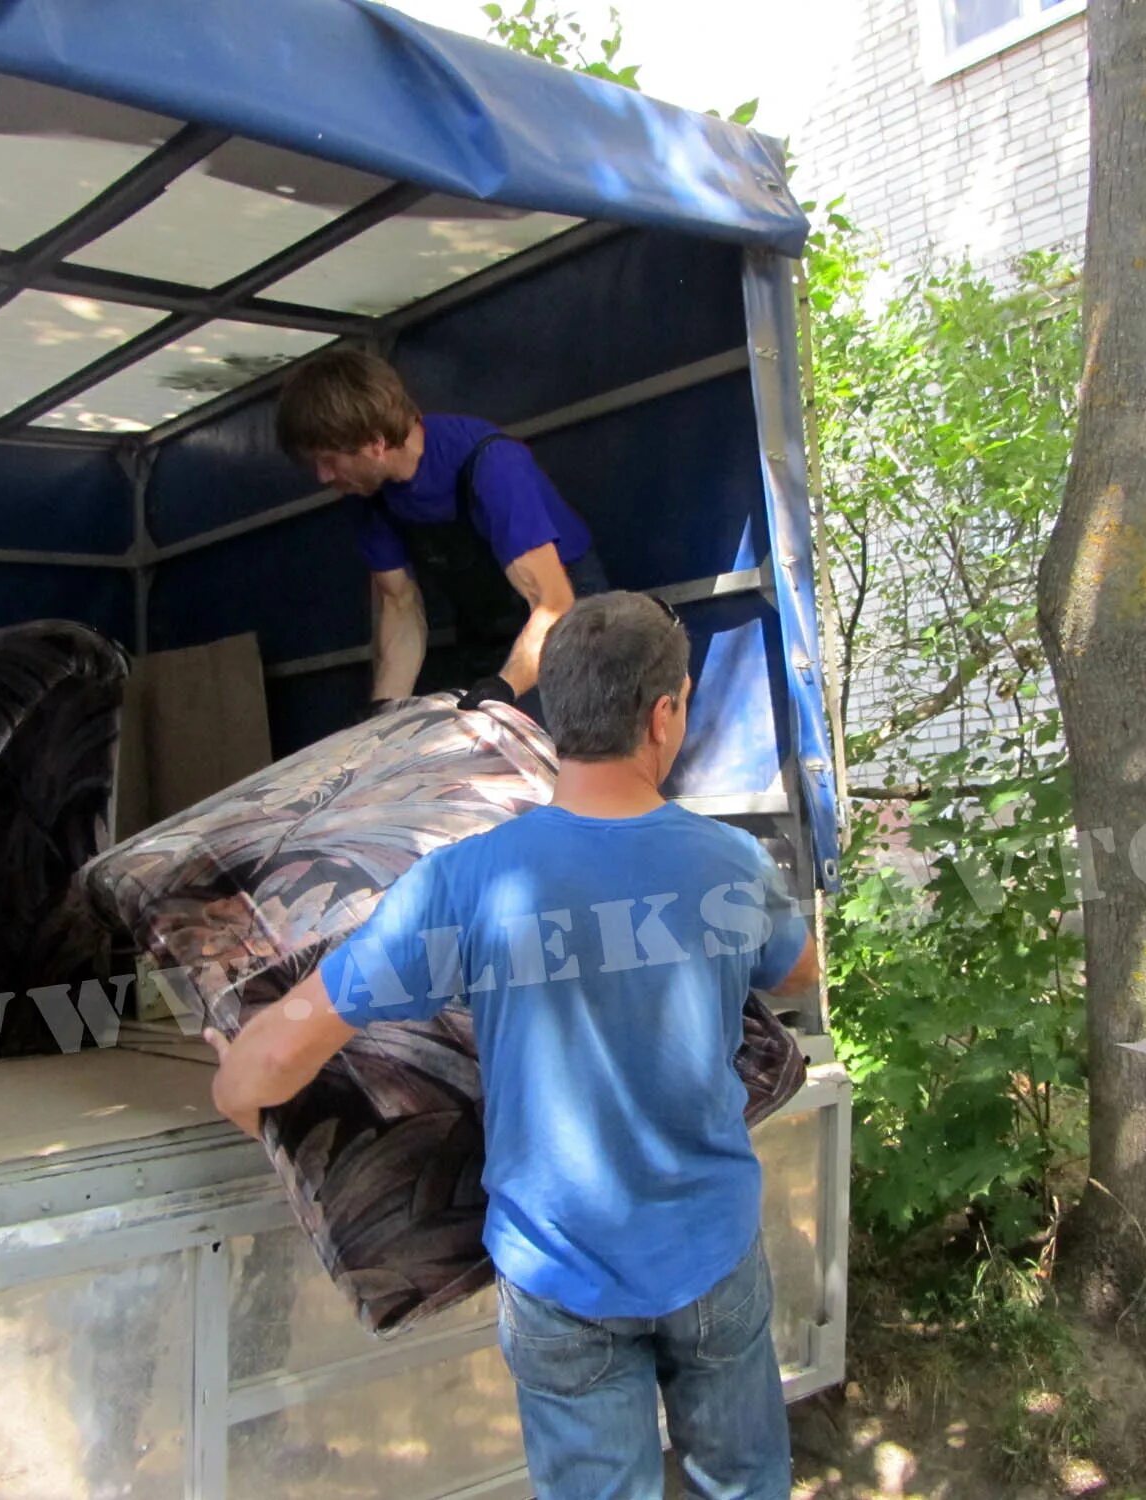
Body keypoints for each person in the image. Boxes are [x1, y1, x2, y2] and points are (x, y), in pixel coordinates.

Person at [205, 592, 815, 1500]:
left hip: (559, 1275)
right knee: (743, 1484)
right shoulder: (730, 865)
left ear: (550, 711)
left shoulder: (464, 883)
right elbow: (798, 975)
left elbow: (279, 1053)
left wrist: (235, 1088)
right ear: (665, 712)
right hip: (710, 1250)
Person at [275, 348, 609, 715]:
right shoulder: (366, 495)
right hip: (484, 622)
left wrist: (504, 688)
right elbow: (399, 605)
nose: (323, 477)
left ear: (375, 443)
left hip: (567, 610)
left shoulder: (491, 463)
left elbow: (553, 603)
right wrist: (384, 714)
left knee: (540, 736)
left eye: (329, 461)